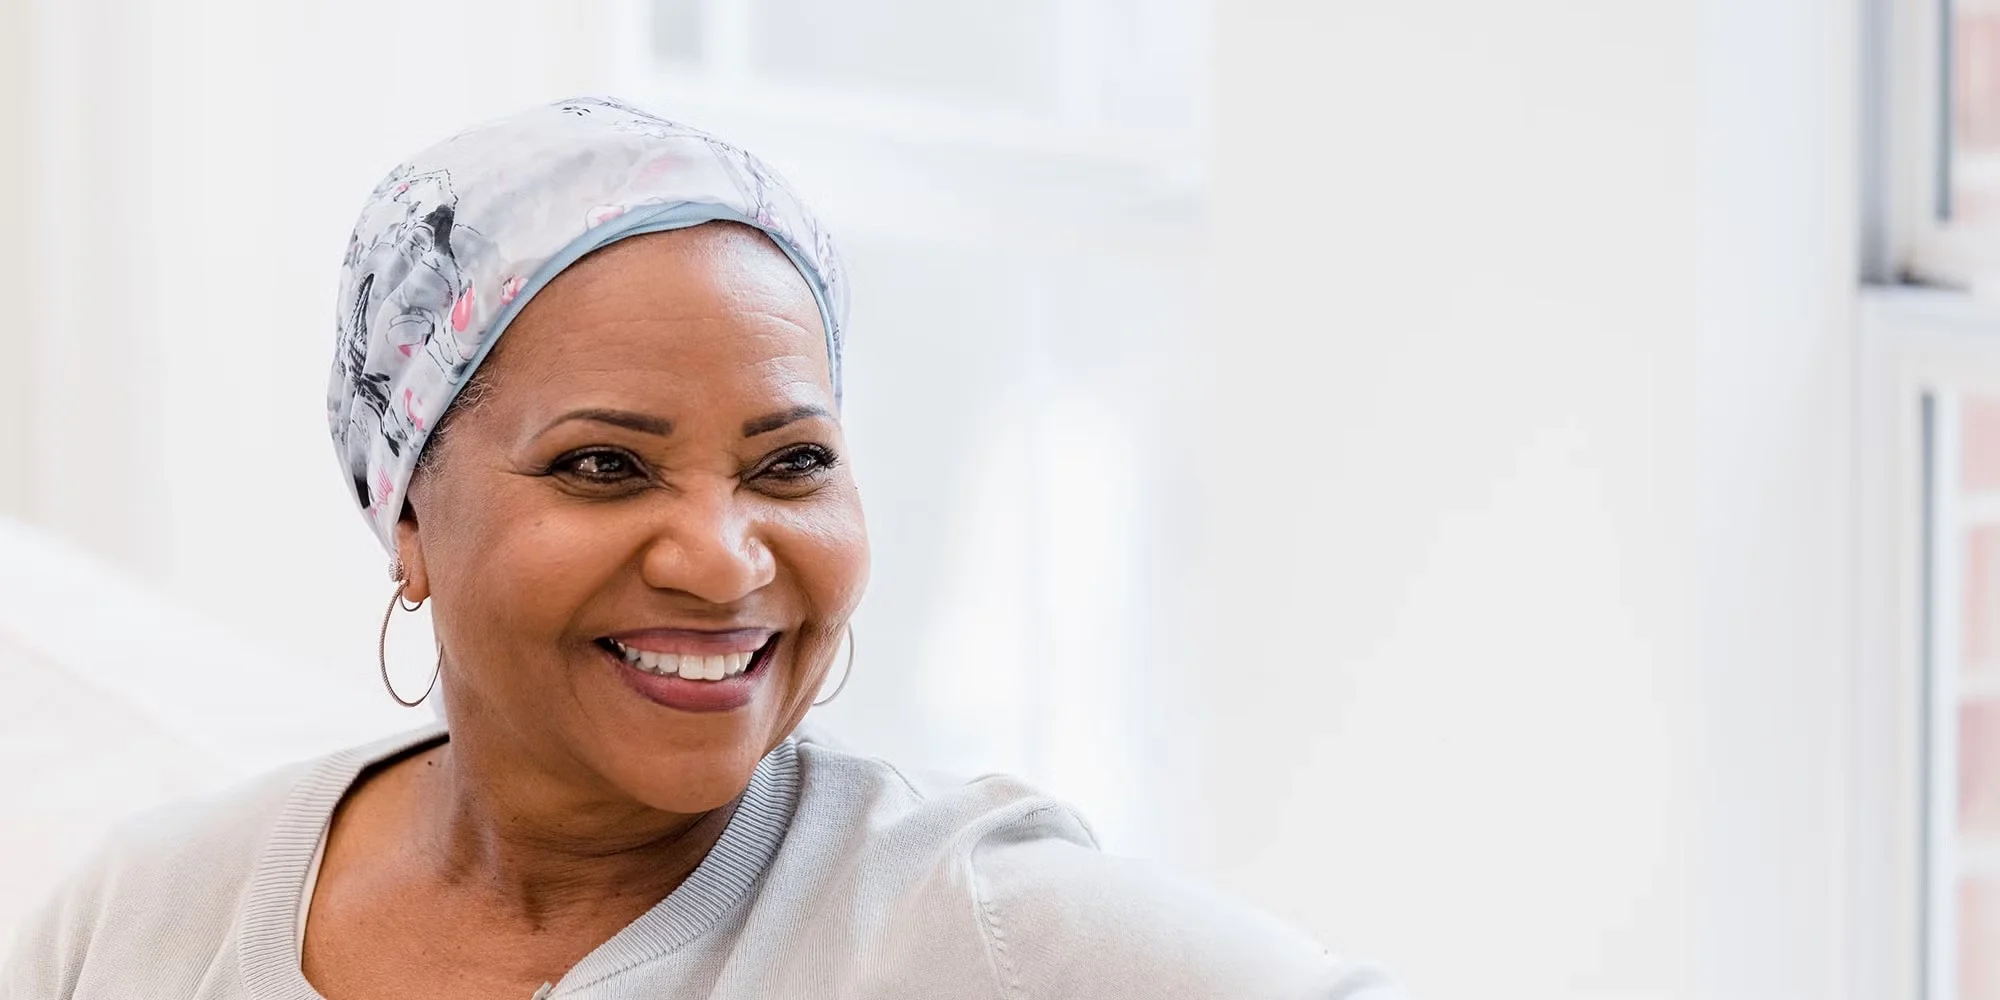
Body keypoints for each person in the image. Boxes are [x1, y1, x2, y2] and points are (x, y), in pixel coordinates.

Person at [1, 97, 1396, 1000]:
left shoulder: (978, 930)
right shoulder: (149, 915)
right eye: (604, 466)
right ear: (408, 515)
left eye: (791, 464)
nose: (725, 562)